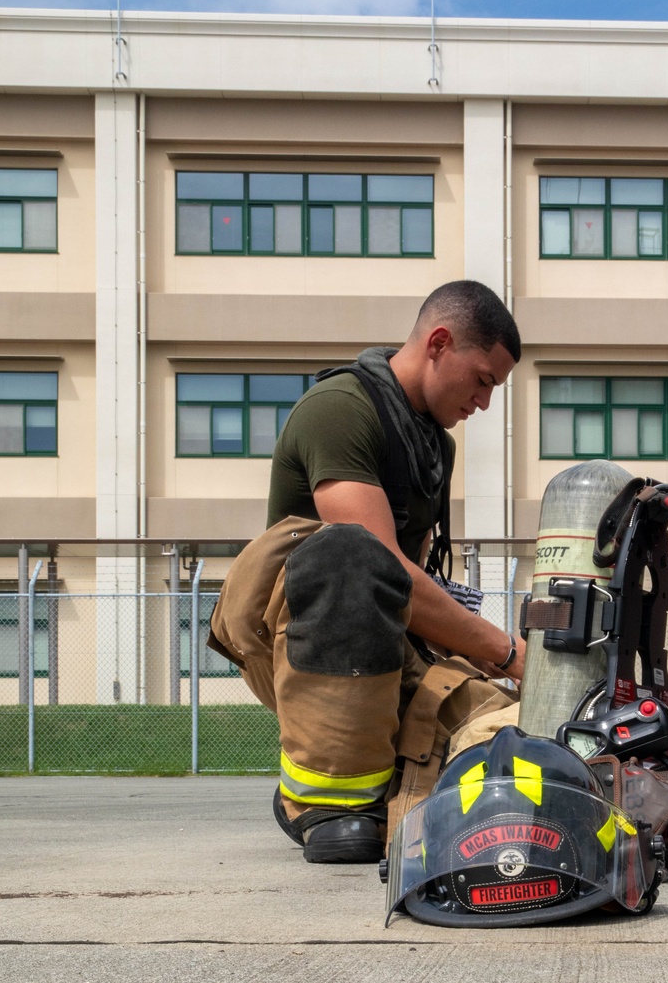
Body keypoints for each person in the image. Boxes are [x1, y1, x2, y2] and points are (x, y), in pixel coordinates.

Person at [209, 280, 525, 864]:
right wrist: (507, 652)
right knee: (352, 553)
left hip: (390, 643)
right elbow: (379, 566)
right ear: (438, 342)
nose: (484, 403)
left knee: (518, 742)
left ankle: (387, 779)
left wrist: (498, 668)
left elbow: (419, 586)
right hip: (306, 636)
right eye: (482, 380)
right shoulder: (341, 409)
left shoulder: (433, 442)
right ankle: (330, 802)